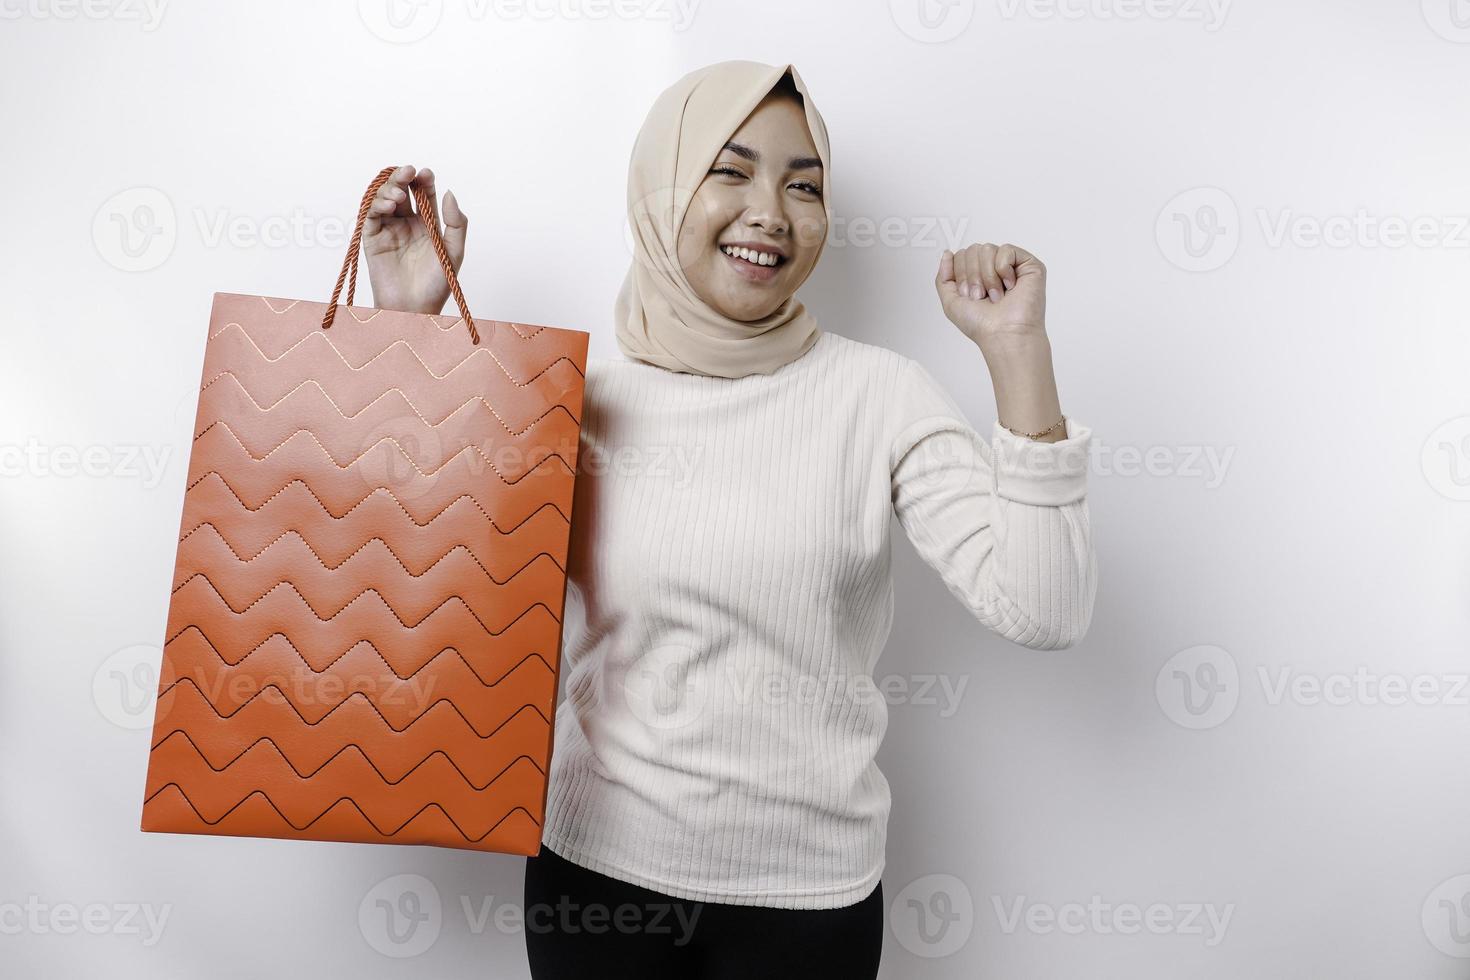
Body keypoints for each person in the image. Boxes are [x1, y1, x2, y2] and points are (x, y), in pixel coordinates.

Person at [362, 59, 1096, 980]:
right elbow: (410, 589)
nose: (772, 214)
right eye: (731, 171)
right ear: (663, 190)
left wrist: (1018, 351)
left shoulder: (879, 397)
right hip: (596, 887)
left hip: (808, 910)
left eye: (804, 185)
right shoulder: (571, 400)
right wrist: (406, 334)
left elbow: (1046, 609)